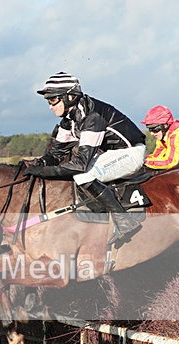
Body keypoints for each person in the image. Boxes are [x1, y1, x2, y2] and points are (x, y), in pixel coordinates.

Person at [24, 72, 145, 245]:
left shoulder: (92, 117)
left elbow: (80, 164)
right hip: (111, 154)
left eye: (53, 100)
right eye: (48, 101)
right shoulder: (69, 119)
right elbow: (57, 153)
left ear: (70, 97)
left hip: (130, 153)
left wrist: (44, 171)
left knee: (82, 175)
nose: (50, 106)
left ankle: (124, 220)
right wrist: (37, 163)